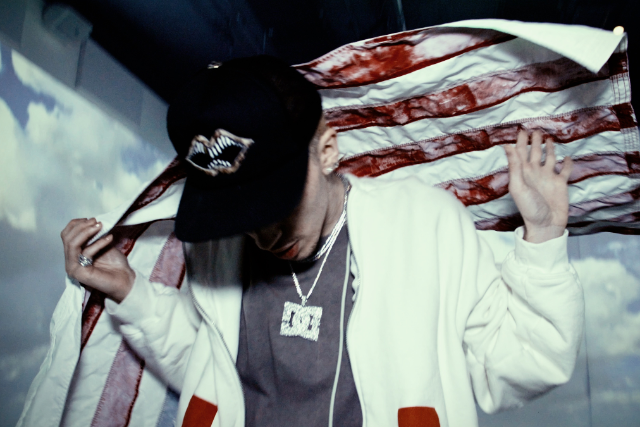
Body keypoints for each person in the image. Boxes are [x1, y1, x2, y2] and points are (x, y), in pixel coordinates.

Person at [60, 56, 583, 427]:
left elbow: (520, 365)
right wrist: (130, 292)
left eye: (274, 203)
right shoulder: (221, 246)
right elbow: (208, 365)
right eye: (239, 211)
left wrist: (543, 238)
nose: (262, 233)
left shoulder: (424, 226)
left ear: (328, 150)